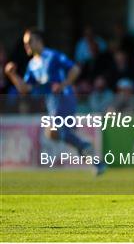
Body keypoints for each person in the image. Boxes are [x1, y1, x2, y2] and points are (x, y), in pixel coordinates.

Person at [4, 28, 105, 175]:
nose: (26, 46)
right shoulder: (32, 65)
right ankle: (91, 156)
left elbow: (75, 69)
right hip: (51, 103)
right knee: (52, 134)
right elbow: (25, 89)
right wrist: (11, 75)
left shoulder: (53, 56)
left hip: (65, 98)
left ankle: (86, 148)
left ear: (38, 41)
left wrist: (63, 84)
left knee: (56, 130)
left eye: (29, 42)